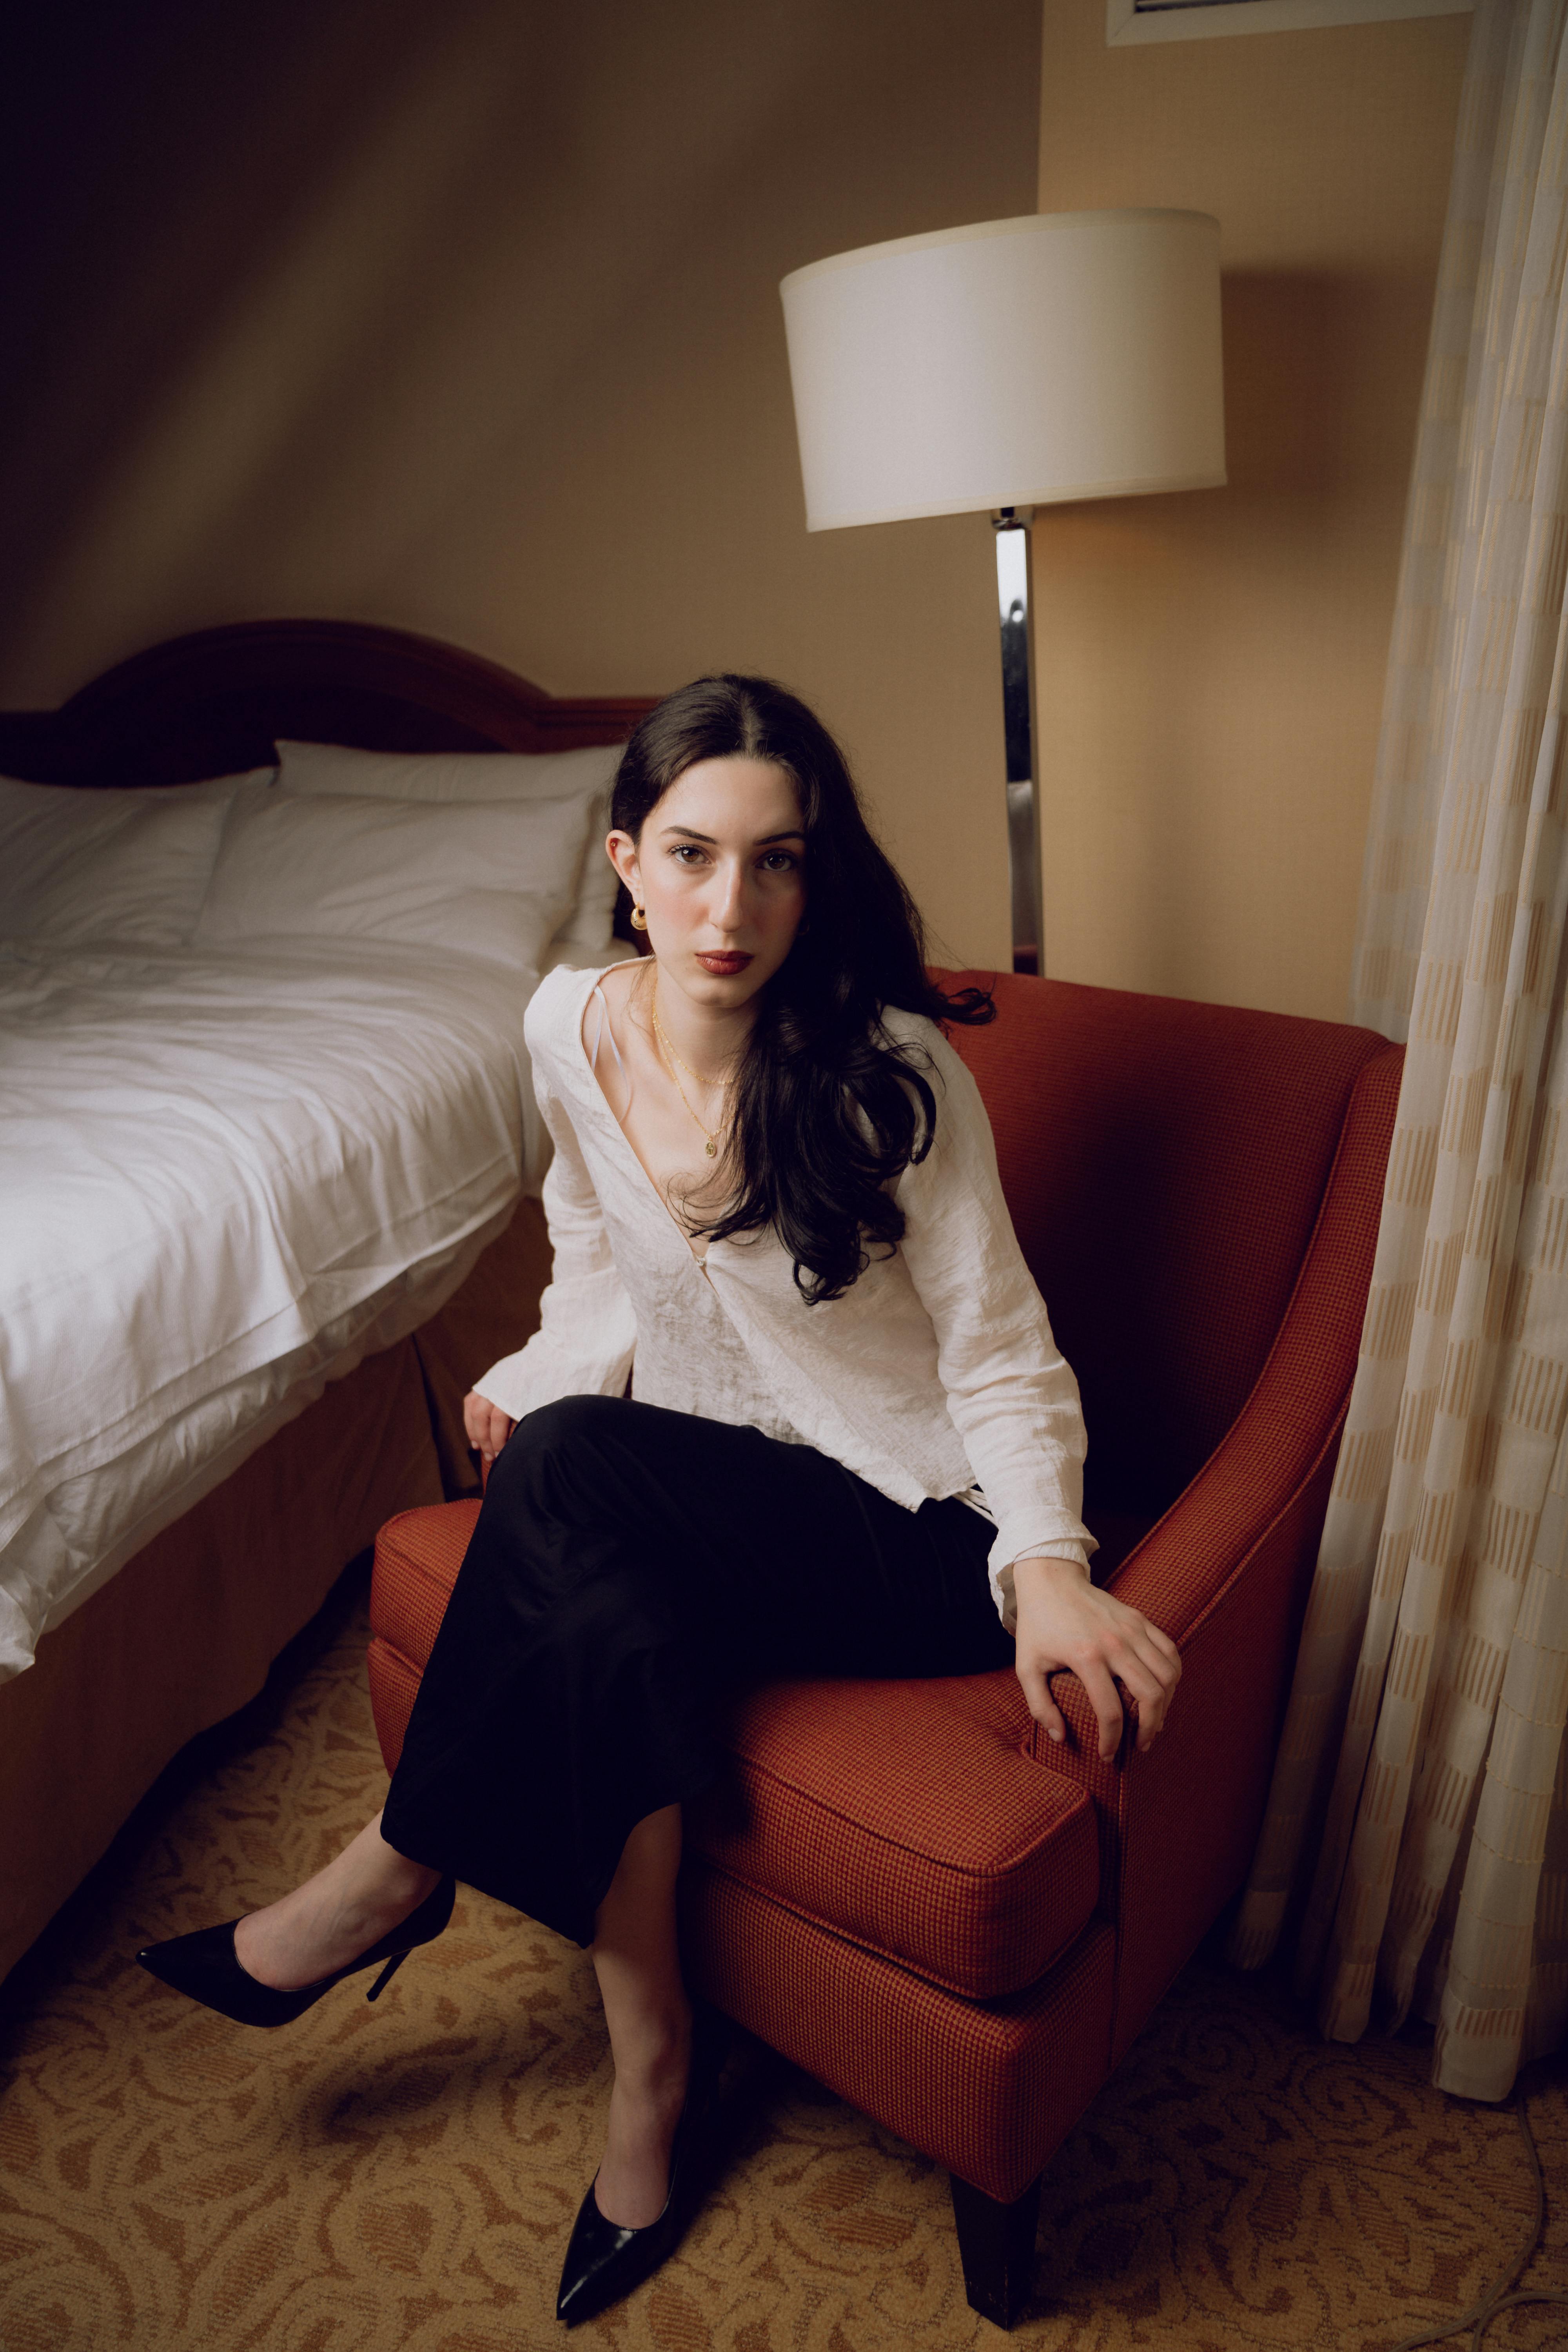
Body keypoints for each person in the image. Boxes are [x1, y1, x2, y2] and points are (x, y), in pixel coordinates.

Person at [137, 675, 1181, 2327]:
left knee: (562, 1481)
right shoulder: (568, 1024)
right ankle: (654, 2079)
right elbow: (599, 1243)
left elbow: (998, 1350)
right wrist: (560, 1358)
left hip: (917, 1524)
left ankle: (399, 1867)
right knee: (601, 1601)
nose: (729, 905)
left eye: (776, 863)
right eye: (691, 855)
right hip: (702, 1487)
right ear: (625, 859)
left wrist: (1043, 1565)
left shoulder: (885, 1072)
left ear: (815, 877)